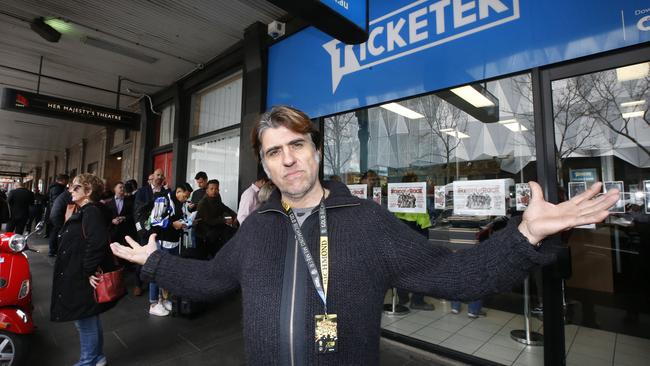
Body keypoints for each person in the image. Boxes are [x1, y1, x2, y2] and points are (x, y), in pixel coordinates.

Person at [111, 105, 620, 365]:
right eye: (273, 151)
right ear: (264, 164)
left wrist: (524, 235)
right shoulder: (258, 227)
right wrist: (156, 261)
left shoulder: (366, 221)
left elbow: (457, 276)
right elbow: (212, 281)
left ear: (315, 151)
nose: (287, 158)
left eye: (297, 145)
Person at [51, 173, 121, 366]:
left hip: (82, 274)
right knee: (89, 316)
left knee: (84, 320)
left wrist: (88, 271)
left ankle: (88, 361)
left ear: (88, 191)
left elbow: (97, 242)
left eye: (76, 188)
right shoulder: (87, 210)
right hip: (80, 271)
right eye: (71, 187)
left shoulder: (90, 211)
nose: (70, 190)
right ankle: (97, 357)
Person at [394, 172, 434, 311]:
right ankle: (417, 300)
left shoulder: (398, 197)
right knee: (422, 268)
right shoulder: (418, 199)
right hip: (417, 232)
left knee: (403, 267)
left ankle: (403, 297)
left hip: (401, 233)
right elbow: (423, 221)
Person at [195, 179, 237, 259]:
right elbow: (209, 221)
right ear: (207, 190)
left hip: (215, 229)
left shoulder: (216, 198)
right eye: (212, 189)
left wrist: (234, 215)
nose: (214, 191)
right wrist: (224, 220)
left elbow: (224, 208)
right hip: (205, 232)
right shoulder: (203, 203)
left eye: (216, 189)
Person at [46, 174, 69, 254]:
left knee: (54, 231)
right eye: (66, 181)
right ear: (63, 180)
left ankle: (53, 249)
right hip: (57, 213)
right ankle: (53, 250)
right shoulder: (58, 188)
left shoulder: (52, 187)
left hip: (52, 211)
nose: (67, 182)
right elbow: (58, 201)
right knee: (57, 231)